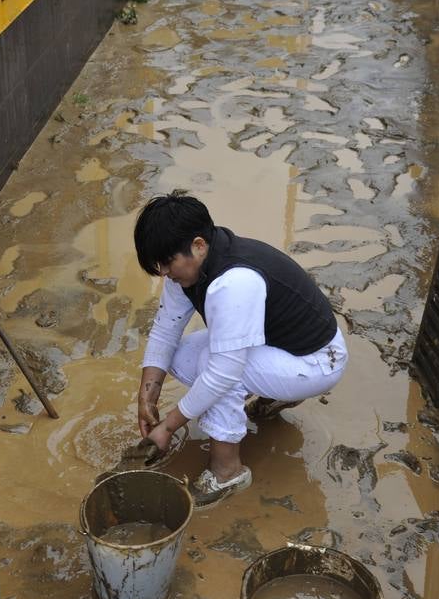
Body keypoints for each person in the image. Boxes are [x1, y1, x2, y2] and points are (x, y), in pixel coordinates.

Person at [134, 191, 348, 506]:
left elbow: (222, 373)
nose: (164, 273)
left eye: (167, 263)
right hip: (280, 345)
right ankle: (275, 393)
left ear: (198, 245)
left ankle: (227, 472)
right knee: (182, 356)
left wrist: (167, 426)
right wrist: (147, 395)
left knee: (217, 367)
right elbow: (166, 328)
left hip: (317, 361)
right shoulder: (193, 266)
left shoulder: (234, 282)